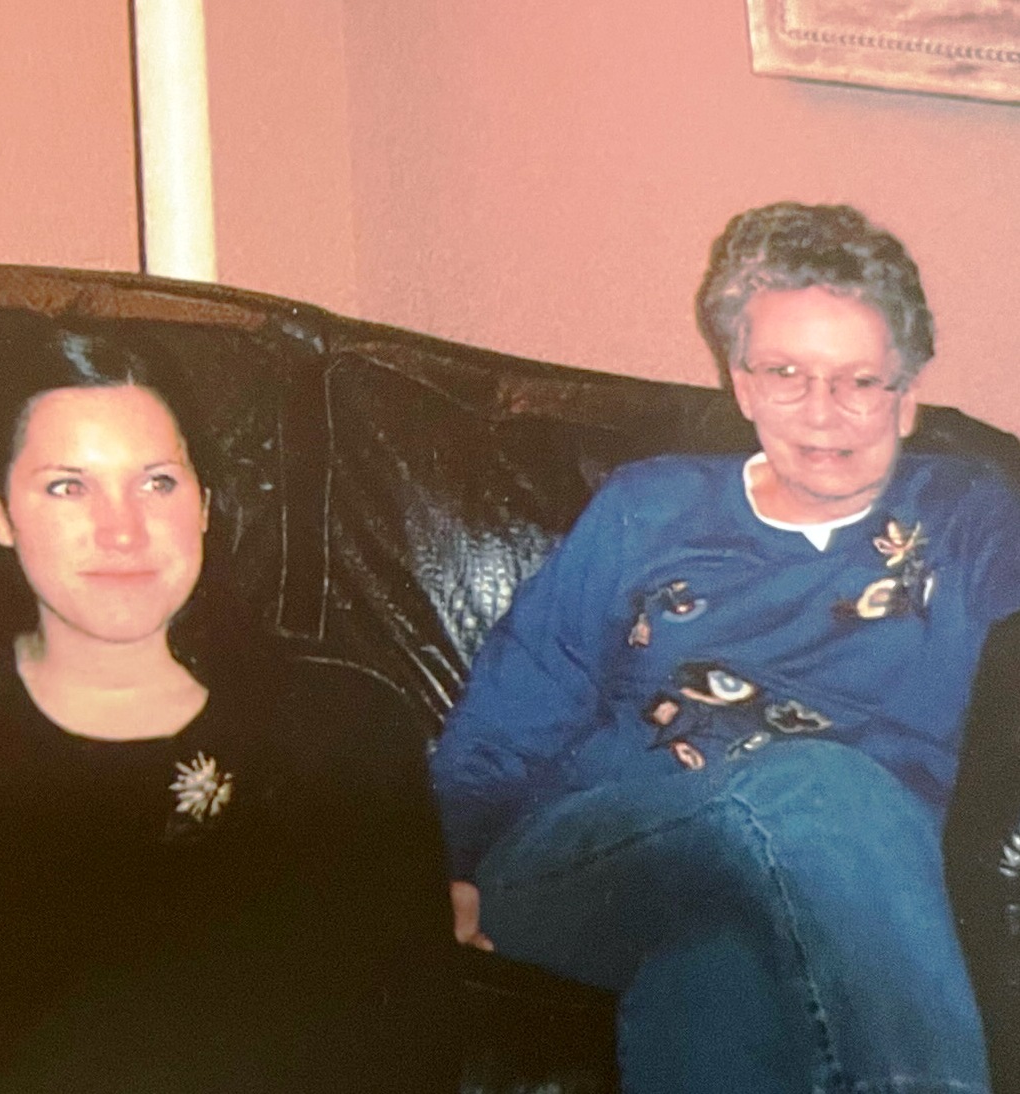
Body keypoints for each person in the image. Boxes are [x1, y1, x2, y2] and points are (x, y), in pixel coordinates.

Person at [430, 202, 1020, 1094]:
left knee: (719, 978)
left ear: (907, 396)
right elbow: (513, 713)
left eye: (860, 381)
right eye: (784, 373)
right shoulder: (647, 508)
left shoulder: (968, 517)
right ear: (739, 384)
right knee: (822, 784)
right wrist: (444, 869)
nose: (821, 413)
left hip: (844, 901)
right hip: (594, 862)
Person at [0, 313, 457, 1092]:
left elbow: (407, 1050)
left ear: (205, 503)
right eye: (67, 487)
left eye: (157, 482)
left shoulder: (344, 731)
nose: (122, 531)